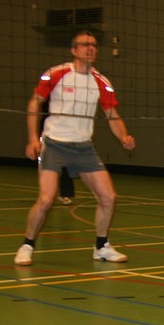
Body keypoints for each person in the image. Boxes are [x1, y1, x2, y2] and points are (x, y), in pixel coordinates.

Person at [14, 30, 135, 266]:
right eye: (85, 45)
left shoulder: (101, 82)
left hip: (84, 147)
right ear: (74, 50)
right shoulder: (56, 73)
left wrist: (124, 136)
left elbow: (112, 115)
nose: (90, 49)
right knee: (46, 199)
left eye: (94, 45)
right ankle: (27, 245)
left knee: (108, 197)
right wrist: (33, 138)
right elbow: (34, 103)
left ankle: (101, 246)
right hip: (54, 144)